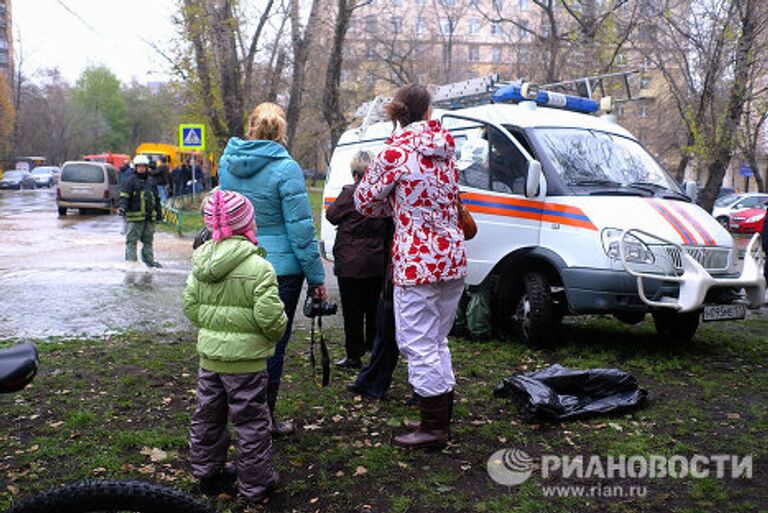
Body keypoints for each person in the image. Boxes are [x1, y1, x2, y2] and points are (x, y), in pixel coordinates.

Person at [355, 84, 467, 450]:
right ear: (427, 112)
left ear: (396, 112)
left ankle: (433, 428)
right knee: (437, 339)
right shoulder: (448, 150)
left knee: (417, 343)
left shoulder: (395, 151)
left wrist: (396, 211)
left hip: (417, 259)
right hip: (452, 255)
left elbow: (364, 201)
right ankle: (441, 417)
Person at [218, 102, 327, 436]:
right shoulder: (286, 168)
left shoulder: (227, 163)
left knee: (239, 339)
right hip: (281, 270)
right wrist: (317, 278)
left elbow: (226, 214)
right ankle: (262, 422)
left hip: (237, 260)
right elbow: (300, 229)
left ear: (251, 125)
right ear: (282, 130)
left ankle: (235, 411)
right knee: (272, 346)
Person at [183, 189, 286, 504]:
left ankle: (206, 473)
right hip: (247, 364)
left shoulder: (201, 260)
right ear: (248, 224)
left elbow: (190, 306)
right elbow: (271, 319)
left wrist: (216, 326)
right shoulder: (259, 268)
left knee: (207, 416)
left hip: (211, 359)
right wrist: (272, 333)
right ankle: (256, 485)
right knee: (252, 423)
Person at [326, 150, 390, 369]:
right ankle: (374, 353)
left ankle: (353, 355)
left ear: (355, 174)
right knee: (373, 310)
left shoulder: (349, 193)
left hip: (350, 263)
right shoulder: (384, 195)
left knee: (352, 313)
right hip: (375, 262)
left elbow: (331, 215)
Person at [119, 155, 163, 268]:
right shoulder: (130, 181)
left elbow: (157, 199)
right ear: (135, 167)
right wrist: (122, 207)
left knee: (148, 242)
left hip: (149, 218)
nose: (141, 169)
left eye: (144, 167)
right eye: (139, 167)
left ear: (147, 167)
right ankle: (131, 263)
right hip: (135, 218)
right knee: (131, 241)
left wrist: (159, 215)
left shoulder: (151, 182)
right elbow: (124, 197)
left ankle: (149, 262)